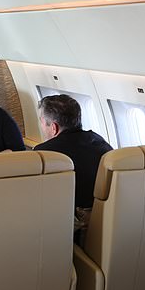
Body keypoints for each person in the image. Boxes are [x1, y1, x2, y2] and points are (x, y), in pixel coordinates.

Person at [34, 94, 113, 243]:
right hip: (108, 217)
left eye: (42, 123)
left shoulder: (43, 153)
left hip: (77, 223)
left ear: (54, 127)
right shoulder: (99, 141)